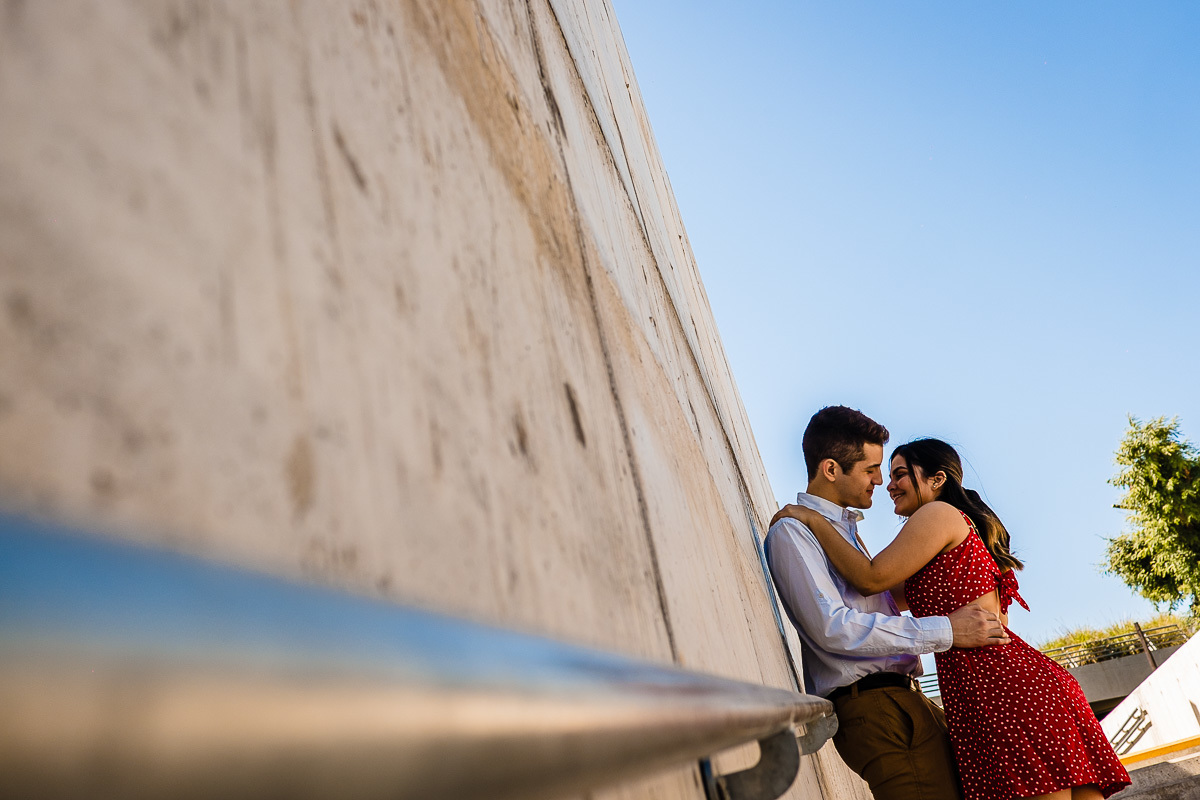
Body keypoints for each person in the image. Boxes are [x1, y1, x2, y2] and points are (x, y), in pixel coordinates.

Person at [773, 437, 1132, 800]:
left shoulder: (937, 514)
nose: (888, 484)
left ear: (937, 480)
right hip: (1017, 683)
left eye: (899, 474)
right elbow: (876, 593)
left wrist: (811, 520)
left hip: (998, 689)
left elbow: (870, 577)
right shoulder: (955, 534)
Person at [765, 406, 1011, 800]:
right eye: (871, 469)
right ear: (831, 469)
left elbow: (885, 585)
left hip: (906, 701)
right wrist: (949, 629)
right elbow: (835, 629)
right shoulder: (794, 532)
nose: (880, 482)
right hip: (876, 707)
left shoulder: (843, 534)